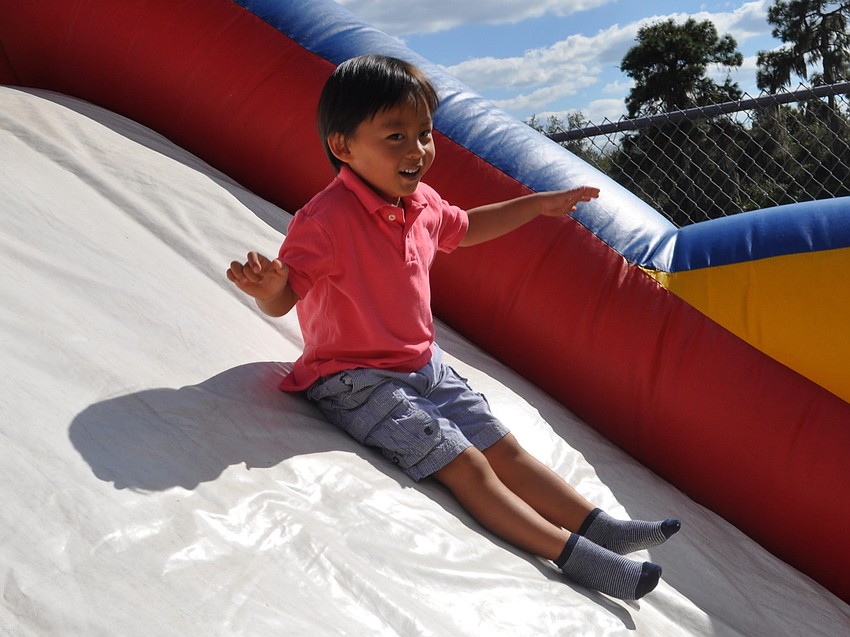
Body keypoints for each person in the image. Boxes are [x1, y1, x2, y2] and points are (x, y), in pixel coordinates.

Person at [227, 54, 679, 601]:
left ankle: (599, 526)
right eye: (395, 136)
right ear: (343, 147)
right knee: (464, 461)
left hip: (423, 366)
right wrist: (268, 287)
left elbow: (465, 228)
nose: (417, 150)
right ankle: (574, 556)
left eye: (424, 133)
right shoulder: (325, 221)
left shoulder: (420, 203)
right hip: (356, 379)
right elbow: (284, 300)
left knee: (503, 447)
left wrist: (536, 206)